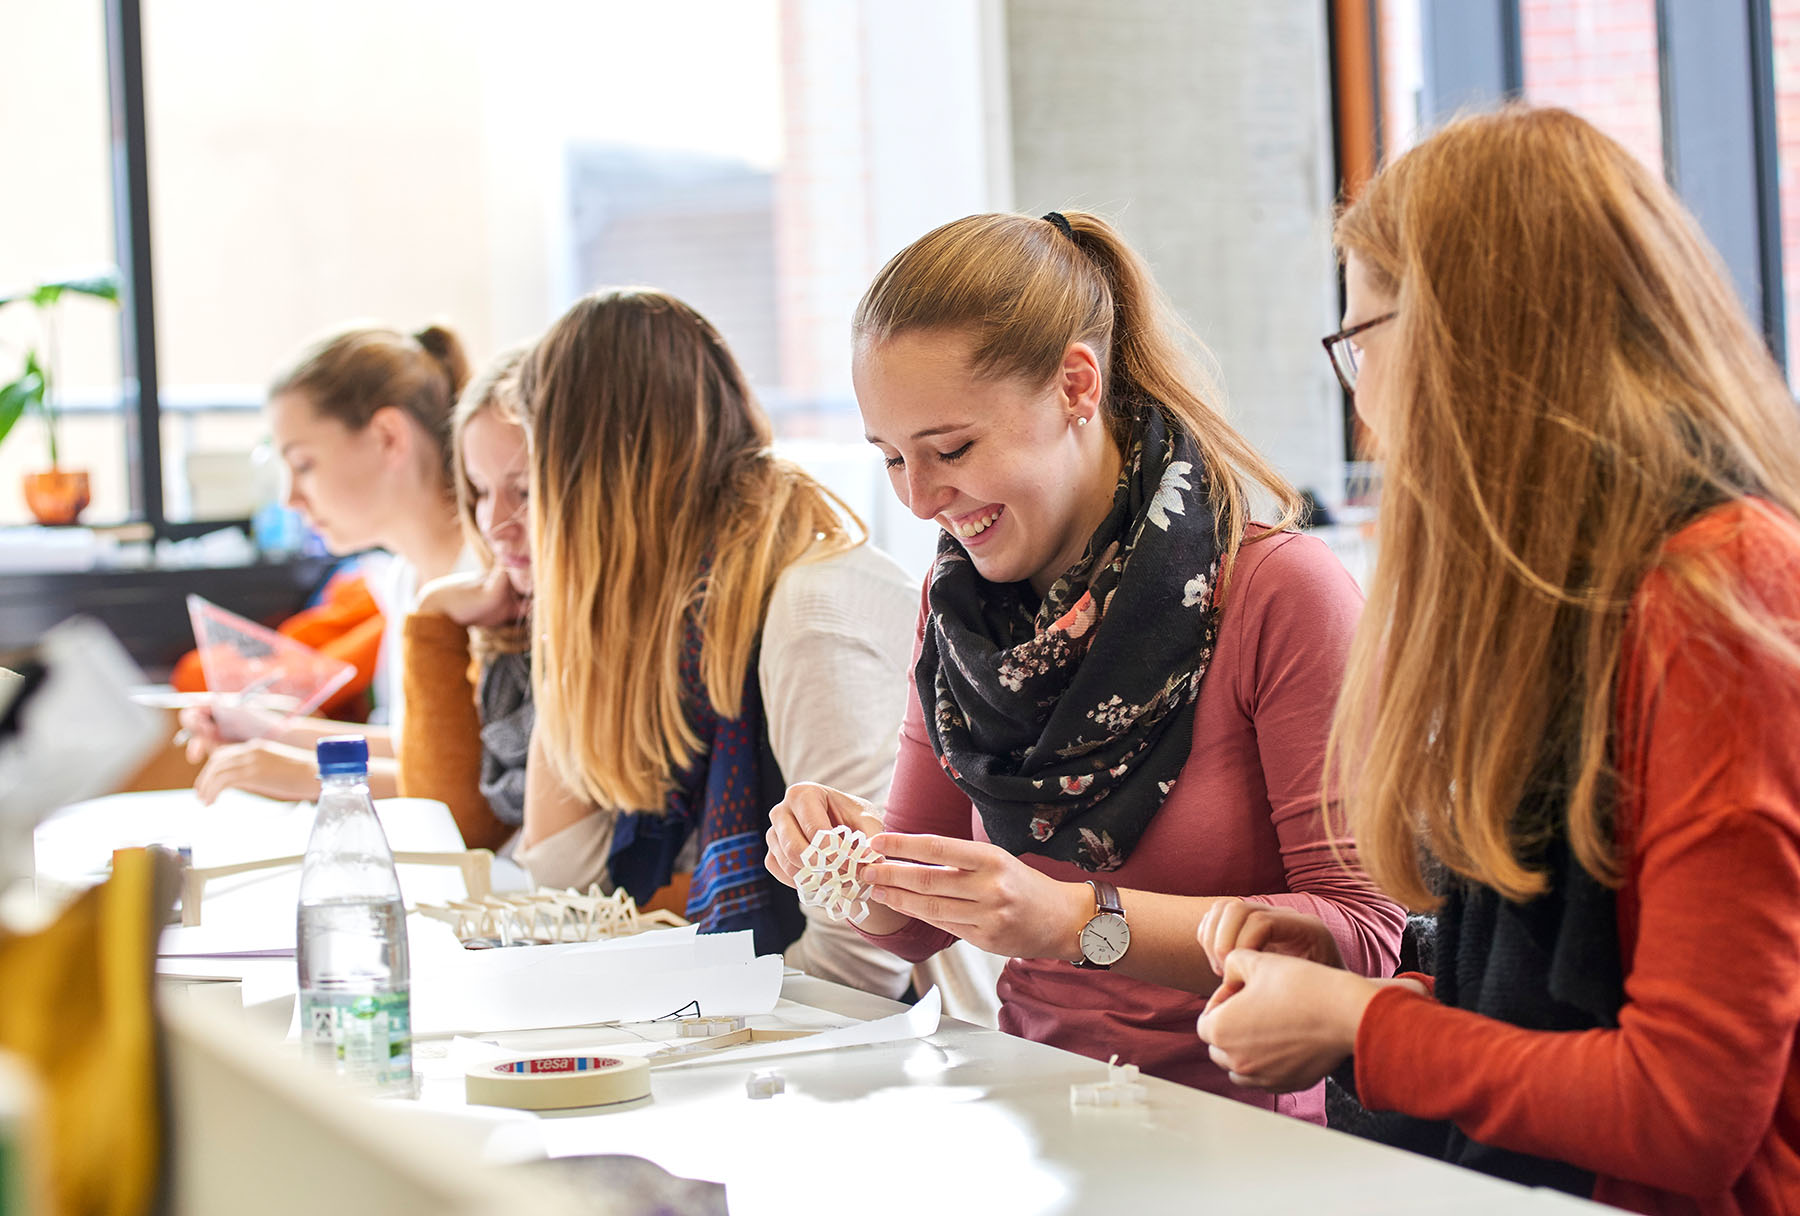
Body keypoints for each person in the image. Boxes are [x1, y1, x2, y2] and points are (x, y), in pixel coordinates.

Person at [1194, 106, 1800, 1213]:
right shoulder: (1595, 597)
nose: (1364, 401)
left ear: (1471, 335)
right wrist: (1373, 988)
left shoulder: (1715, 597)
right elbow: (1564, 999)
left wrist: (1365, 1025)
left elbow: (1685, 1106)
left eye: (1361, 340)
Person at [764, 208, 1404, 1119]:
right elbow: (904, 929)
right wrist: (843, 857)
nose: (919, 500)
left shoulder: (1276, 592)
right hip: (1036, 1115)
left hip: (1250, 1137)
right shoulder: (961, 616)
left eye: (951, 450)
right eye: (892, 459)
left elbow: (1366, 938)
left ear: (1075, 385)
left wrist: (1076, 921)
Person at [511, 287, 922, 999]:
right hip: (799, 1013)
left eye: (529, 481)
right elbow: (564, 877)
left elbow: (865, 966)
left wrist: (691, 1021)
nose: (516, 517)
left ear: (575, 478)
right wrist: (572, 625)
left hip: (915, 1038)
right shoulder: (679, 616)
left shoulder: (808, 608)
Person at [182, 323, 474, 803]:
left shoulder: (492, 582)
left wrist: (305, 774)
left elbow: (478, 792)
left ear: (387, 436)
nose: (290, 498)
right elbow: (419, 753)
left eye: (304, 465)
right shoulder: (405, 580)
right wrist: (269, 733)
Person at [396, 346, 533, 852]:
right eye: (478, 491)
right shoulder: (516, 625)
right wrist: (434, 620)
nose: (495, 523)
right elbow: (458, 831)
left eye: (525, 491)